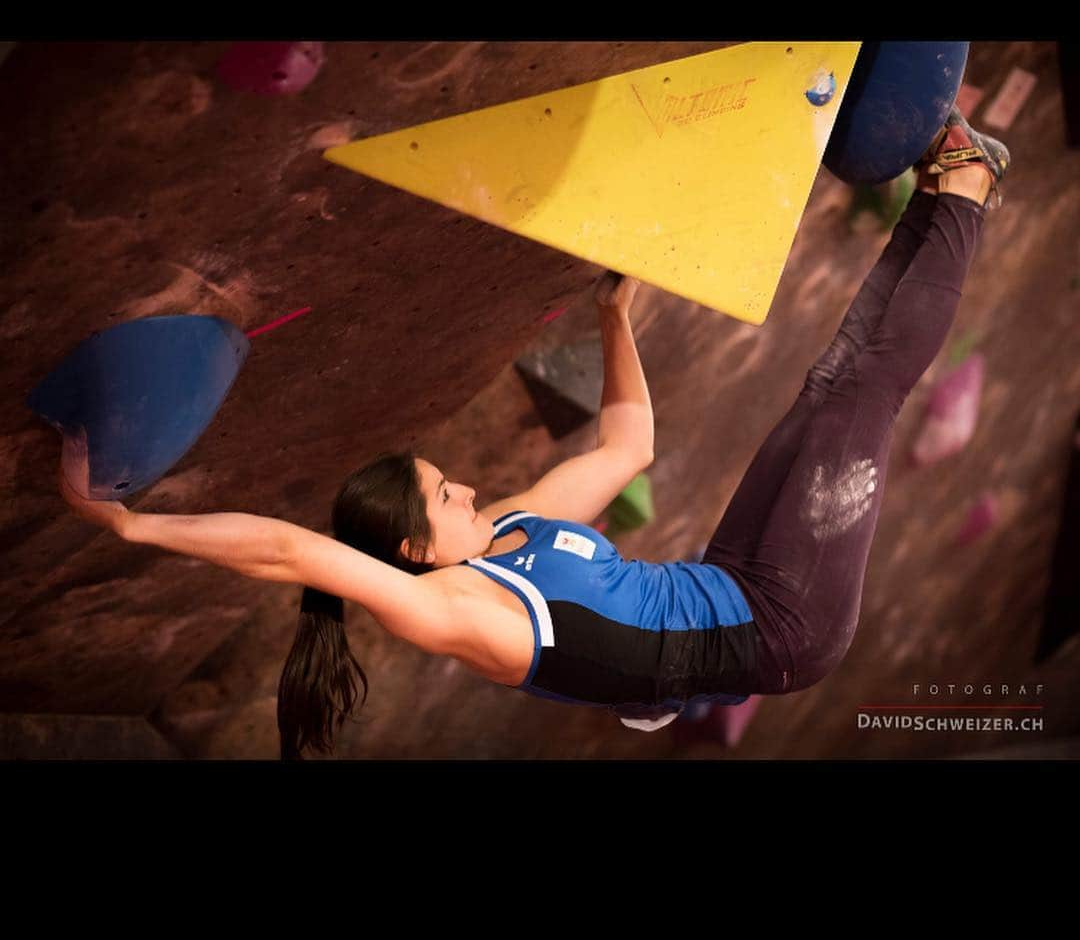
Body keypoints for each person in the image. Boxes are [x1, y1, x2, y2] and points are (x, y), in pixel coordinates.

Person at [58, 106, 1010, 760]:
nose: (466, 488)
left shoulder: (513, 531)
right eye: (444, 497)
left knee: (833, 385)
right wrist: (136, 527)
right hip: (778, 630)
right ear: (412, 551)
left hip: (723, 587)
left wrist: (614, 319)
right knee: (863, 395)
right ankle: (967, 185)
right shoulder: (459, 617)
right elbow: (289, 549)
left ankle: (941, 193)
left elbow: (625, 449)